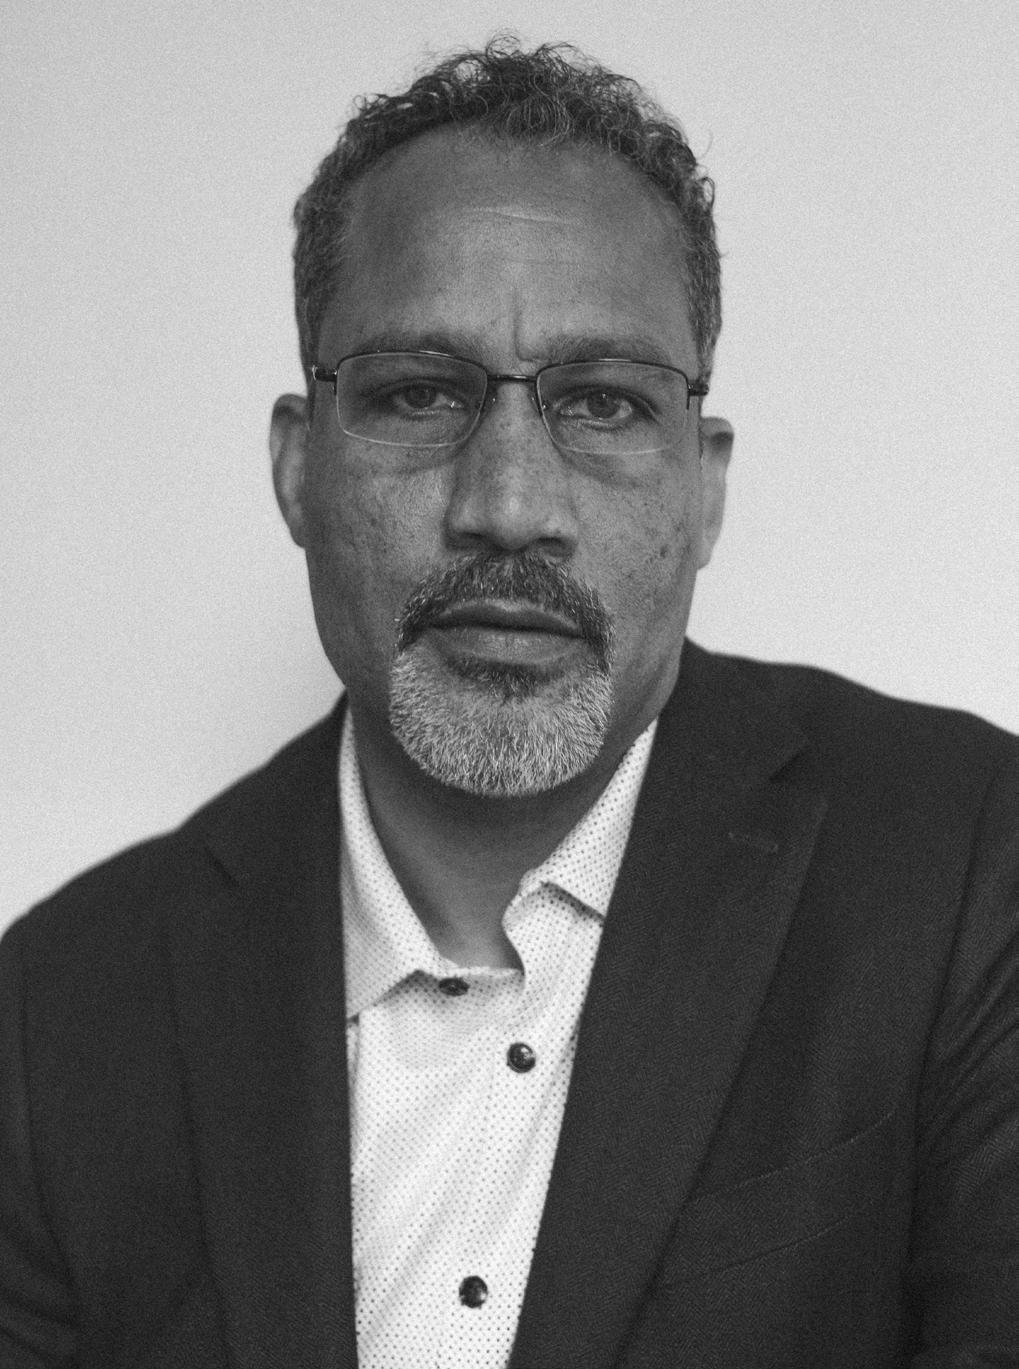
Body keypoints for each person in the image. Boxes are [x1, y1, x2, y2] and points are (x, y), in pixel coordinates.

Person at [1, 37, 1016, 1369]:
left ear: (705, 485)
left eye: (603, 404)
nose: (510, 505)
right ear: (300, 469)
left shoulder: (968, 867)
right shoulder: (58, 1016)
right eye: (421, 394)